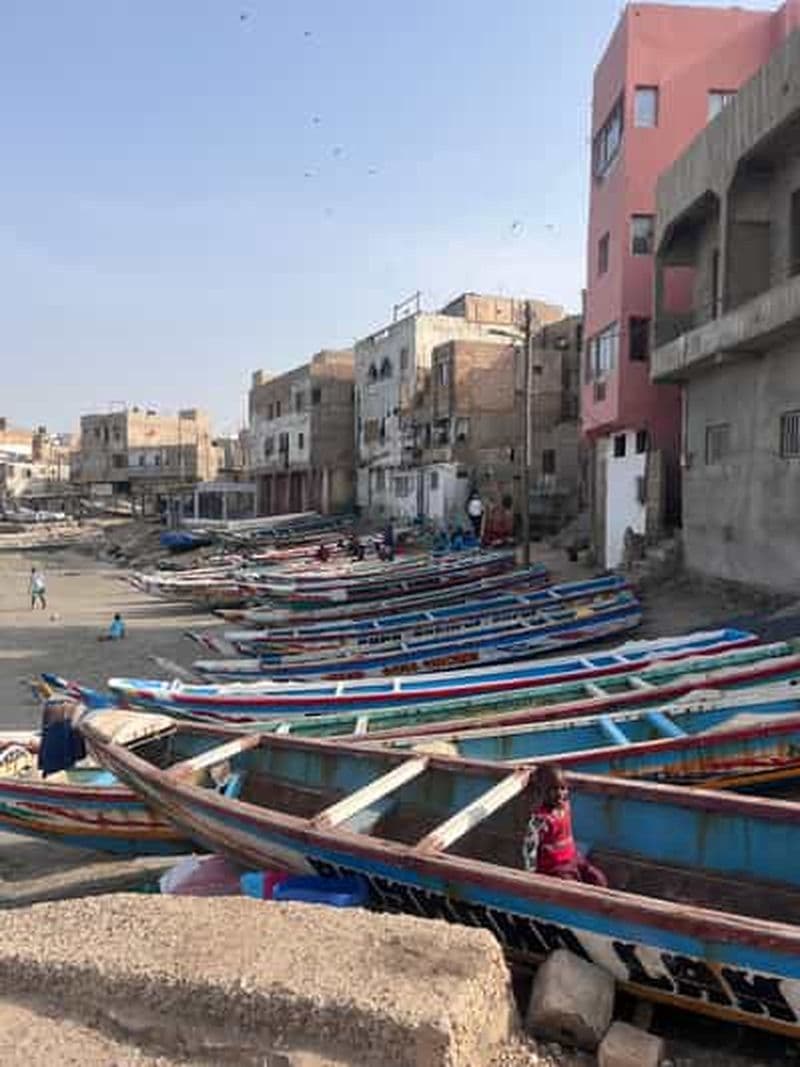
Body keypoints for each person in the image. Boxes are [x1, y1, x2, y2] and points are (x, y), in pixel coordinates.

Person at [522, 765, 607, 886]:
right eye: (552, 790)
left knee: (598, 879)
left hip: (573, 858)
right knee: (573, 888)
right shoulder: (541, 820)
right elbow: (529, 849)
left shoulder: (564, 804)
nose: (560, 794)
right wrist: (531, 878)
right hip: (554, 868)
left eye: (563, 788)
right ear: (541, 792)